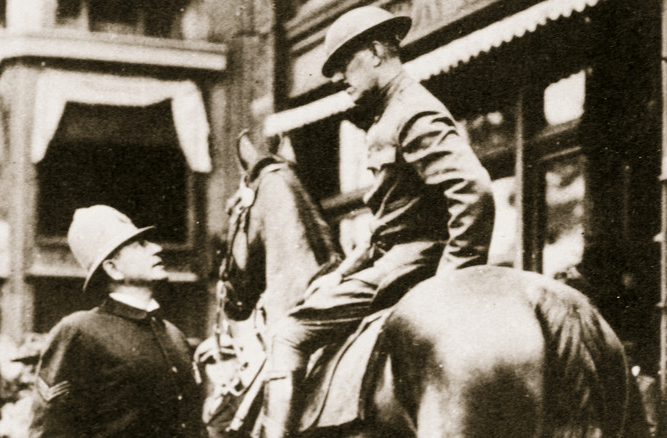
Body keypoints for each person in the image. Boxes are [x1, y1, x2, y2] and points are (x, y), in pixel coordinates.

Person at [262, 6, 495, 437]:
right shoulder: (389, 116)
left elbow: (473, 190)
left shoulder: (411, 111)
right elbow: (391, 224)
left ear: (374, 52)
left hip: (410, 265)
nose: (337, 79)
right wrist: (342, 272)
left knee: (288, 334)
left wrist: (454, 281)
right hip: (396, 259)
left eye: (343, 65)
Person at [28, 205, 206, 437]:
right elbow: (51, 430)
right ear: (113, 269)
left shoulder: (174, 335)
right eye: (140, 244)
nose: (156, 248)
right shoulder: (79, 331)